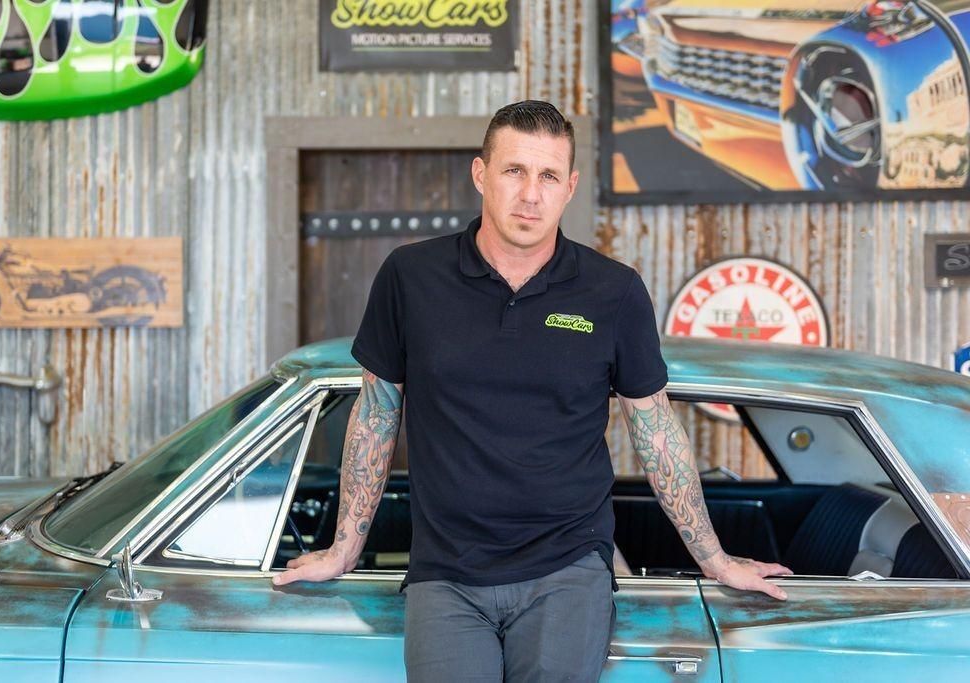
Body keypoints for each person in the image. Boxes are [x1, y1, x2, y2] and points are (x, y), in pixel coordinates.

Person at [272, 100, 792, 681]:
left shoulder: (612, 292)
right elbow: (376, 414)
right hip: (446, 573)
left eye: (548, 176)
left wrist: (714, 558)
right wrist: (344, 548)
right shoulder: (410, 277)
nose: (530, 195)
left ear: (569, 187)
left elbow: (655, 430)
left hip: (566, 571)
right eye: (514, 171)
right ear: (481, 174)